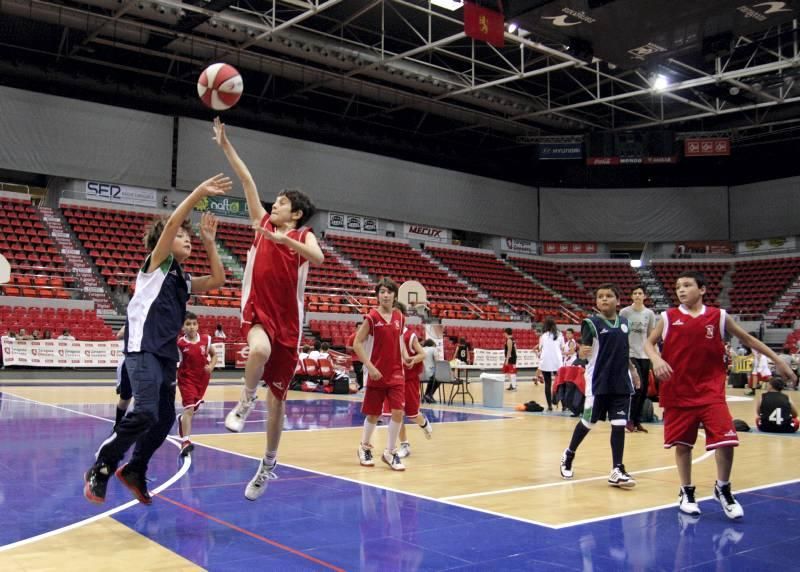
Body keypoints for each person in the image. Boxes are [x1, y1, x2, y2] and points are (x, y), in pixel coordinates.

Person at [83, 174, 231, 505]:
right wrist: (198, 193)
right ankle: (102, 466)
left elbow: (218, 279)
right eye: (180, 236)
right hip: (143, 347)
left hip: (165, 354)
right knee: (146, 412)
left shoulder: (181, 277)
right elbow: (173, 222)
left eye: (188, 237)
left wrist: (209, 241)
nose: (186, 239)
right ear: (163, 242)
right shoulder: (157, 264)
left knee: (163, 418)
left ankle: (135, 468)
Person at [215, 117, 324, 502]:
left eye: (281, 203)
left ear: (295, 214)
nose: (273, 205)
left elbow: (318, 257)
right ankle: (245, 402)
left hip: (289, 326)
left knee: (277, 403)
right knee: (258, 349)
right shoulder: (260, 223)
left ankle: (268, 464)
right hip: (258, 312)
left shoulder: (302, 236)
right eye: (274, 201)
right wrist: (226, 146)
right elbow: (247, 181)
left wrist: (285, 241)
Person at [645, 270, 797, 519]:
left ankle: (723, 488)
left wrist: (778, 360)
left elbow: (748, 339)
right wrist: (656, 359)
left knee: (726, 441)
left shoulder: (718, 316)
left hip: (710, 391)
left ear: (702, 289)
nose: (681, 290)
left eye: (687, 285)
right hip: (678, 390)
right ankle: (686, 491)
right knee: (683, 444)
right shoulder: (668, 317)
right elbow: (648, 343)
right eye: (678, 286)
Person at [559, 284, 640, 488]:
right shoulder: (591, 323)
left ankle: (617, 469)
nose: (604, 299)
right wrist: (580, 352)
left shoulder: (625, 323)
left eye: (609, 296)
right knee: (589, 422)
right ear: (596, 301)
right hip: (598, 381)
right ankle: (569, 454)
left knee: (619, 424)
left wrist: (633, 370)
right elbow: (583, 350)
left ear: (618, 301)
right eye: (600, 296)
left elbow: (624, 350)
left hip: (621, 381)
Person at [354, 278, 408, 471]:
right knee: (374, 414)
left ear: (395, 296)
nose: (386, 295)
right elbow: (357, 343)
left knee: (398, 412)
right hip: (376, 373)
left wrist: (405, 357)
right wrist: (369, 367)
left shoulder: (400, 317)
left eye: (389, 292)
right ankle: (364, 447)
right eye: (382, 291)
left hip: (396, 373)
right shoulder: (371, 317)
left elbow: (399, 341)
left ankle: (390, 451)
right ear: (377, 295)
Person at [176, 311, 218, 457]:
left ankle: (182, 420)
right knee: (189, 408)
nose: (192, 327)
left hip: (202, 379)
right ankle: (185, 441)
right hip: (186, 379)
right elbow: (175, 362)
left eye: (194, 324)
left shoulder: (206, 340)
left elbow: (214, 355)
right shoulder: (180, 343)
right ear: (183, 327)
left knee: (192, 409)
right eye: (188, 324)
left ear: (198, 325)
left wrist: (211, 366)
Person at [620, 285, 656, 433]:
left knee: (645, 389)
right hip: (630, 354)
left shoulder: (649, 313)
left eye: (640, 293)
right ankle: (629, 420)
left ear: (644, 296)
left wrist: (654, 355)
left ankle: (637, 421)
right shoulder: (625, 312)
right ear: (631, 296)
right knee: (637, 387)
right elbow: (620, 333)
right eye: (635, 293)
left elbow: (650, 336)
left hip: (644, 355)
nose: (637, 295)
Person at [395, 325, 433, 459]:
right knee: (397, 414)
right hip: (394, 380)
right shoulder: (388, 332)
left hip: (409, 380)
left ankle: (424, 422)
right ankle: (404, 445)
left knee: (412, 415)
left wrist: (412, 360)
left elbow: (422, 354)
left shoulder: (409, 335)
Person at [537, 318, 562, 410]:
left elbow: (540, 348)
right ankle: (563, 405)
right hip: (557, 362)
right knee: (560, 383)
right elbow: (562, 347)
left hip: (546, 361)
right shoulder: (560, 335)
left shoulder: (543, 336)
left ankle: (549, 405)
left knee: (547, 384)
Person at [113, 325, 132, 432]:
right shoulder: (131, 323)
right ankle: (118, 423)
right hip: (130, 361)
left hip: (146, 362)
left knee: (144, 397)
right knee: (125, 397)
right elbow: (119, 335)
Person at [421, 339, 439, 403]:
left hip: (420, 374)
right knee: (438, 379)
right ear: (433, 344)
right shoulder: (434, 349)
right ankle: (429, 395)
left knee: (433, 379)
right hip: (429, 372)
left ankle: (426, 395)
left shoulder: (421, 349)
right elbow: (437, 362)